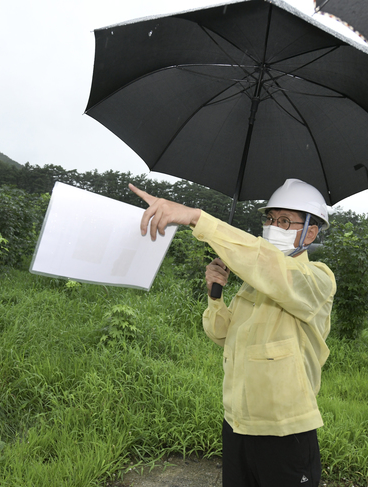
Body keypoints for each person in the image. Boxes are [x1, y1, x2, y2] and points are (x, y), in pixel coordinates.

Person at [130, 178, 336, 487]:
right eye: (269, 218)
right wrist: (216, 295)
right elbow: (222, 334)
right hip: (238, 423)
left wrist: (196, 218)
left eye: (284, 221)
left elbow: (269, 266)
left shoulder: (317, 279)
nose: (272, 226)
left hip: (285, 430)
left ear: (310, 231)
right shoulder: (252, 280)